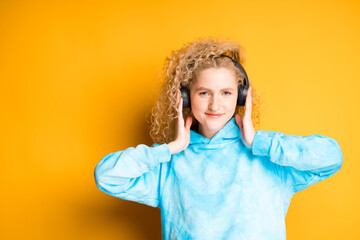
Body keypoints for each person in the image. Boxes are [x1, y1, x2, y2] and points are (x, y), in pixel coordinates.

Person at [94, 37, 343, 240]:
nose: (215, 104)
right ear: (186, 97)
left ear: (242, 97)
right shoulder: (170, 165)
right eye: (204, 93)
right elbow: (106, 176)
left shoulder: (269, 157)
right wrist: (171, 148)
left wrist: (259, 142)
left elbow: (332, 157)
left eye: (226, 93)